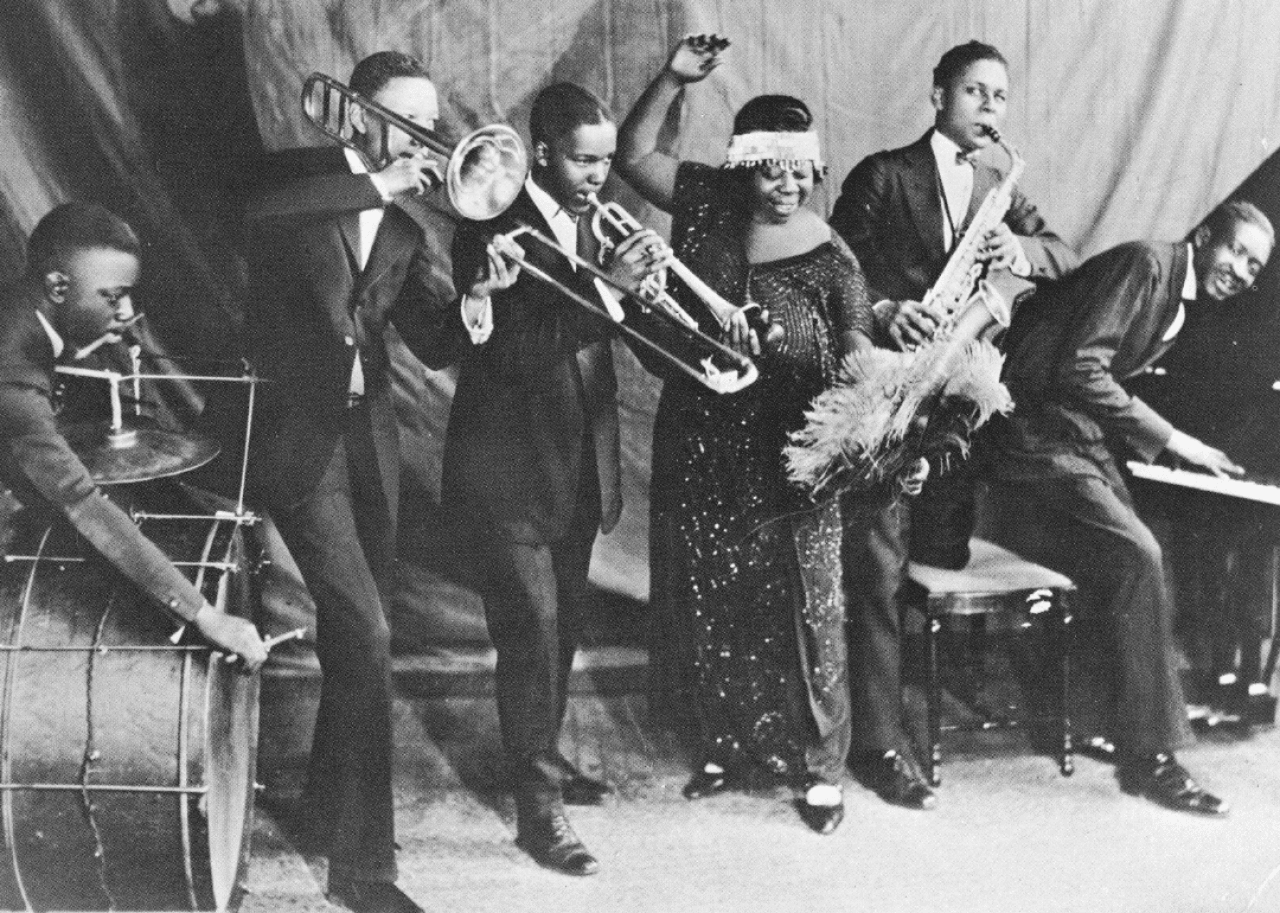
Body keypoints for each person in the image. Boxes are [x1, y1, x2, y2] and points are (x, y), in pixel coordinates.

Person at [615, 35, 874, 835]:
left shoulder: (835, 261)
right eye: (772, 169)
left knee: (812, 611)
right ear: (743, 168)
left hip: (797, 459)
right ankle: (728, 742)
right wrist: (672, 79)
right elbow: (632, 156)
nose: (788, 185)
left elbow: (862, 365)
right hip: (704, 443)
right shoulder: (704, 205)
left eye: (800, 171)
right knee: (718, 600)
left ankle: (823, 770)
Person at [827, 39, 1079, 810]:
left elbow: (1065, 255)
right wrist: (879, 311)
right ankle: (877, 743)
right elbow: (835, 268)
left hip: (956, 405)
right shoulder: (883, 173)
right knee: (873, 569)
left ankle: (904, 711)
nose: (989, 109)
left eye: (999, 97)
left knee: (931, 557)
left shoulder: (1000, 185)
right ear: (938, 96)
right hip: (888, 386)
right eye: (975, 93)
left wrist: (1023, 251)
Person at [440, 82, 669, 875]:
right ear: (541, 151)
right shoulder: (487, 226)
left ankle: (542, 758)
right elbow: (509, 351)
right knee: (532, 636)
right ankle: (540, 812)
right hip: (507, 470)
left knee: (563, 630)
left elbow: (624, 327)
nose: (600, 175)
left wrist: (661, 304)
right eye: (583, 159)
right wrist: (609, 287)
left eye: (608, 160)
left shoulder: (598, 223)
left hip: (580, 467)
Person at [986, 199, 1274, 816]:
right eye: (1237, 252)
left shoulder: (1178, 292)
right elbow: (1080, 367)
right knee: (1139, 552)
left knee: (1141, 556)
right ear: (1203, 237)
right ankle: (1153, 759)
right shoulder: (1147, 265)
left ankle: (1105, 719)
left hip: (1072, 434)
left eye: (1255, 265)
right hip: (1031, 433)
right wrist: (1176, 441)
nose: (1243, 271)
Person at [244, 51, 448, 913]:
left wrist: (479, 304)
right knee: (363, 630)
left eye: (429, 124)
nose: (425, 139)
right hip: (298, 437)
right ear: (359, 114)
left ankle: (326, 800)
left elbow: (435, 342)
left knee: (363, 627)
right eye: (406, 120)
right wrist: (377, 183)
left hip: (369, 443)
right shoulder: (299, 178)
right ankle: (363, 870)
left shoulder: (405, 229)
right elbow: (255, 212)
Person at [0, 202, 267, 668]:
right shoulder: (13, 373)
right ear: (58, 286)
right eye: (111, 296)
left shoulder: (21, 313)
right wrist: (204, 615)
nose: (126, 313)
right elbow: (78, 501)